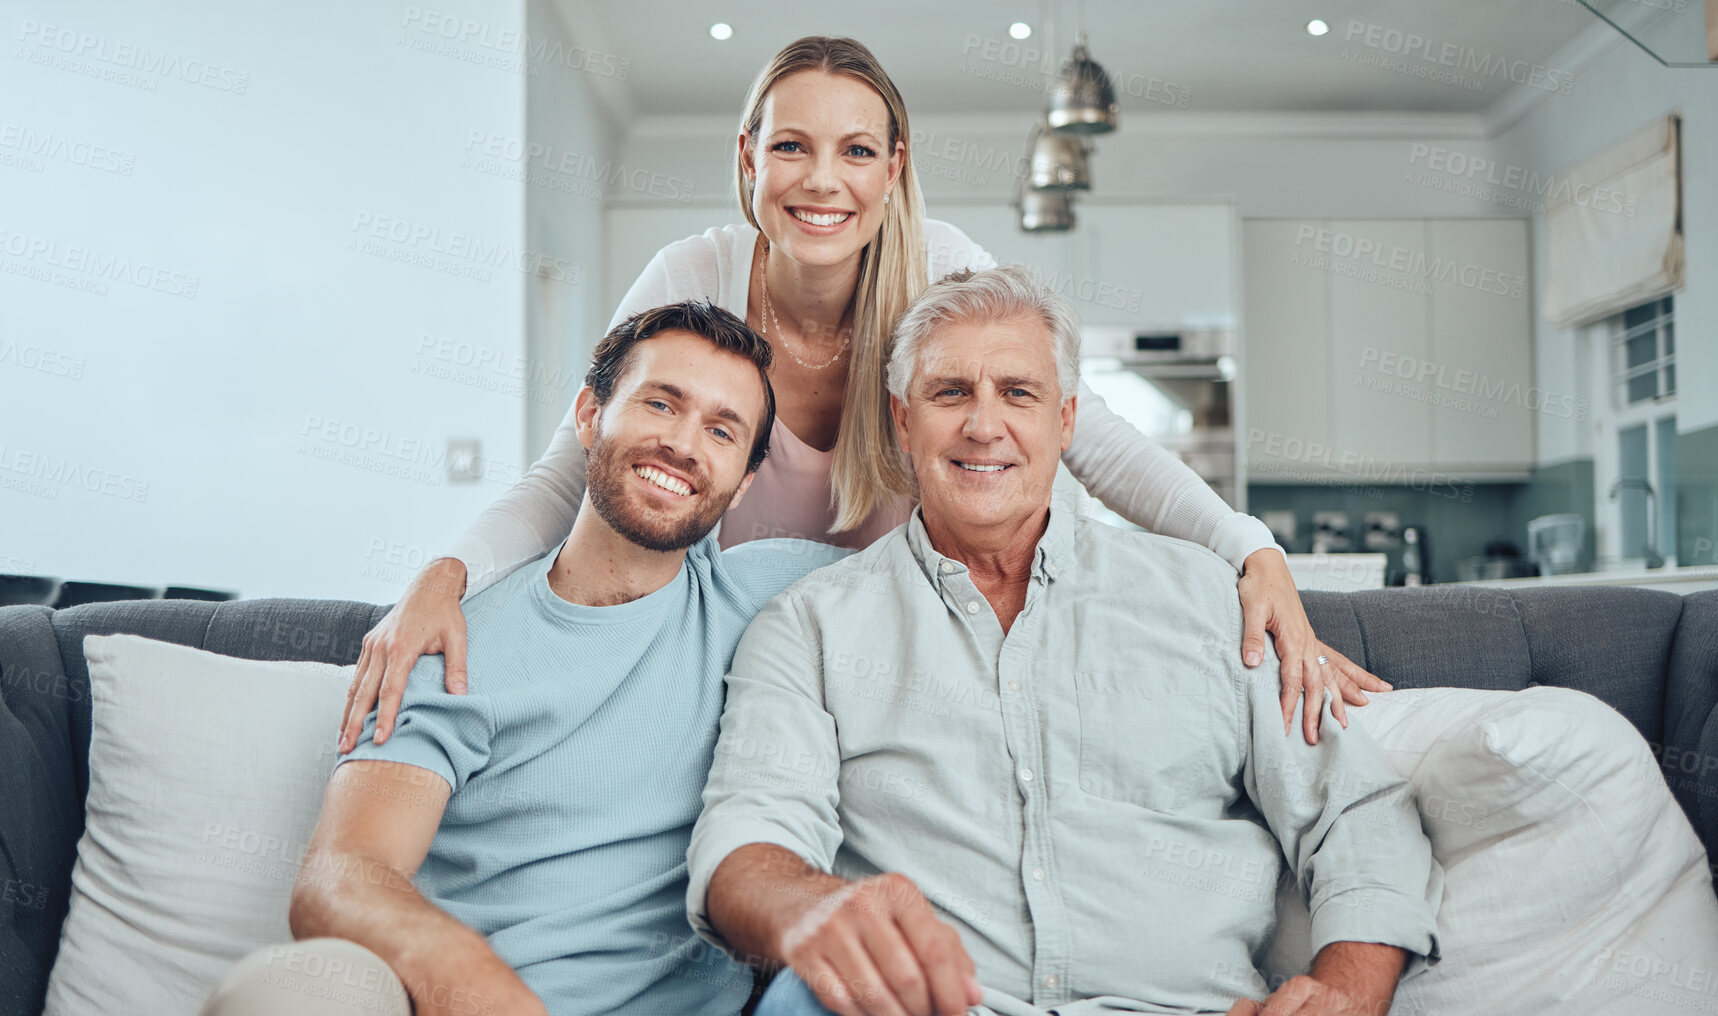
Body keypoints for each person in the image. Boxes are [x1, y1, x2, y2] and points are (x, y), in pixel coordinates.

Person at [686, 267, 1540, 1016]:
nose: (984, 423)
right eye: (949, 392)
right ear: (903, 421)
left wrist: (1348, 982)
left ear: (1065, 421)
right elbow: (749, 839)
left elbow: (1354, 809)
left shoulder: (1212, 599)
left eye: (1018, 391)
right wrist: (807, 907)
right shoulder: (811, 623)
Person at [338, 35, 1386, 759]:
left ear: (892, 169)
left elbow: (1089, 438)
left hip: (911, 656)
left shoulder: (941, 267)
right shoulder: (690, 278)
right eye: (789, 146)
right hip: (730, 664)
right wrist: (444, 576)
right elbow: (570, 472)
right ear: (747, 161)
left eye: (853, 151)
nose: (819, 181)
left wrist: (1249, 550)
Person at [167, 302, 849, 1016]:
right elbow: (342, 873)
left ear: (744, 481)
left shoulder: (775, 602)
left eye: (722, 430)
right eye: (661, 403)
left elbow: (969, 548)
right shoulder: (452, 635)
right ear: (589, 414)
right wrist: (460, 977)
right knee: (283, 996)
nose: (683, 444)